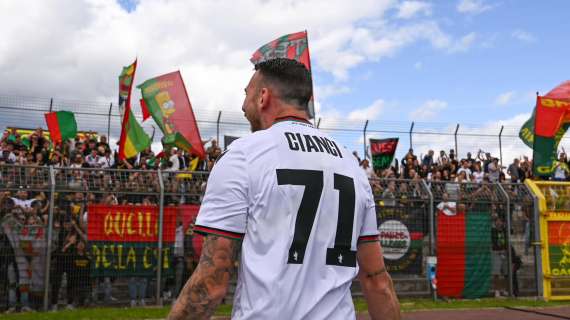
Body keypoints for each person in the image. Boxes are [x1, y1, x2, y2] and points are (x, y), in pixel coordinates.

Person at [169, 58, 400, 319]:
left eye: (246, 94)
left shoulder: (244, 155)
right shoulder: (352, 166)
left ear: (263, 97)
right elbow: (376, 281)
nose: (243, 105)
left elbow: (211, 282)